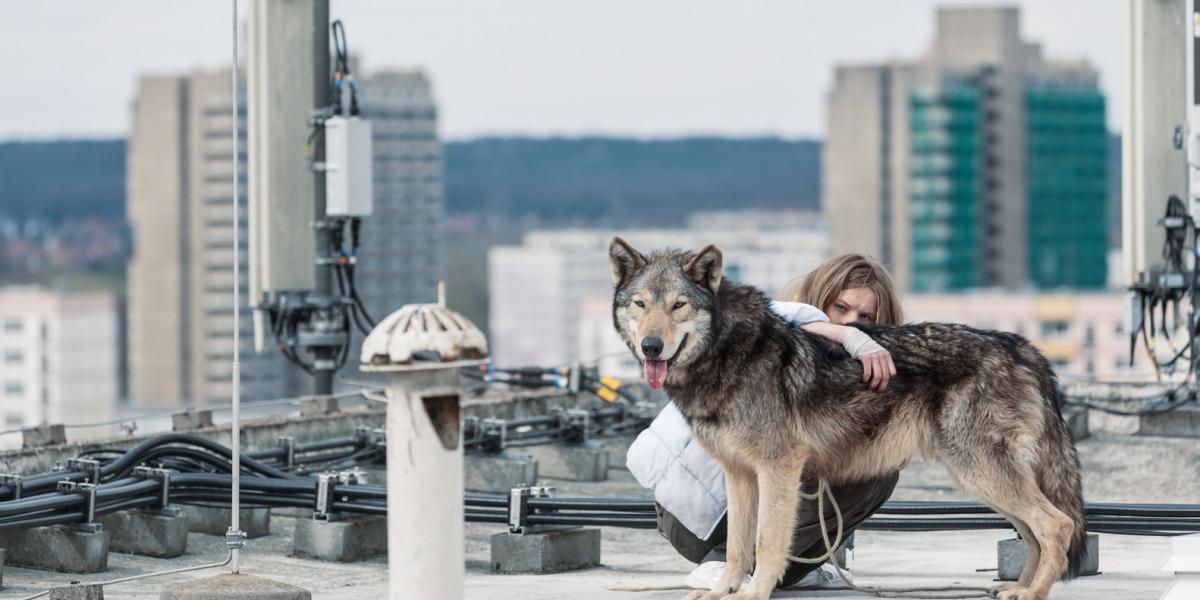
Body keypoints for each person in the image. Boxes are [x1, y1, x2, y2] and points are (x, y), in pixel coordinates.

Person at [626, 253, 905, 591]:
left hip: (705, 514)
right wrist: (846, 336)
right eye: (840, 309)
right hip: (691, 517)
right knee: (800, 460)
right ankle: (734, 565)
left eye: (866, 318)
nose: (849, 324)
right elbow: (788, 319)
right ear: (819, 299)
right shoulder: (763, 331)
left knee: (870, 459)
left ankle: (780, 567)